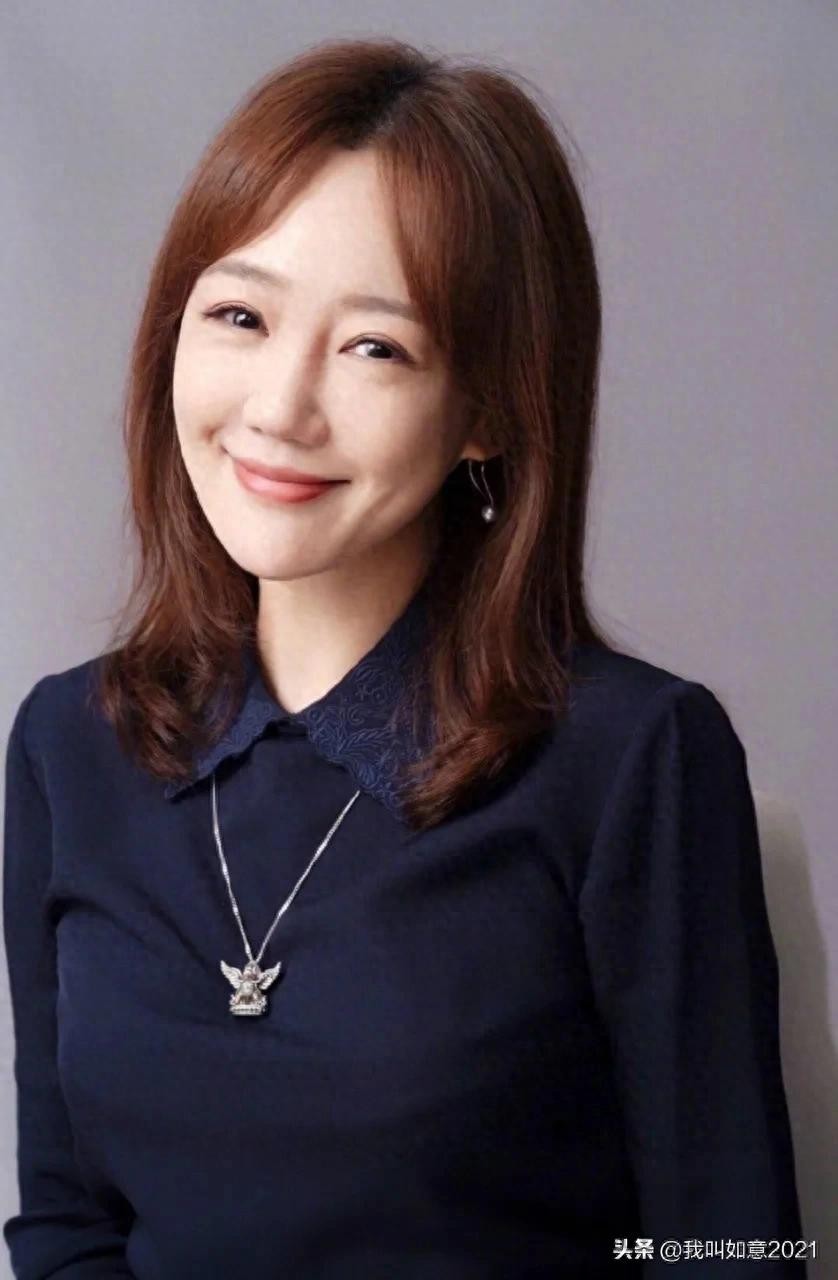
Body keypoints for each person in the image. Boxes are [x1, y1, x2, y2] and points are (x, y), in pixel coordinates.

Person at [2, 35, 806, 1280]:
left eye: (375, 346)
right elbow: (67, 1227)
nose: (280, 407)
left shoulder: (631, 758)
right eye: (239, 316)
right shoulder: (71, 743)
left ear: (486, 407)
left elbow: (726, 1241)